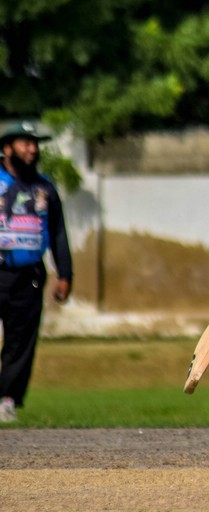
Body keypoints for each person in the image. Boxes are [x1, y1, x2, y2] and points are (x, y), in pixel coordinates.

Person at [0, 120, 73, 424]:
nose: (32, 149)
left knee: (21, 340)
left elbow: (58, 232)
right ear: (7, 149)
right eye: (25, 143)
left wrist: (65, 274)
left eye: (35, 144)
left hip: (28, 275)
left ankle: (6, 399)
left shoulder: (45, 187)